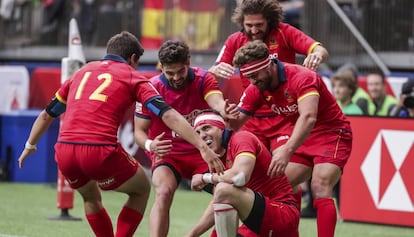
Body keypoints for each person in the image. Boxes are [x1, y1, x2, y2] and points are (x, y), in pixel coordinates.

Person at [17, 31, 224, 237]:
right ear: (133, 59)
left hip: (64, 152)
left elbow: (46, 114)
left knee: (90, 197)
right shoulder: (135, 77)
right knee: (142, 188)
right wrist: (203, 147)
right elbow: (168, 116)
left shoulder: (81, 72)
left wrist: (29, 146)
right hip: (100, 151)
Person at [230, 40, 352, 237]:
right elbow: (234, 124)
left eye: (254, 75)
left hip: (332, 133)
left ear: (268, 65)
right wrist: (224, 116)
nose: (252, 81)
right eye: (248, 77)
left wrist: (286, 150)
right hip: (303, 135)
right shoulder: (256, 87)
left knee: (319, 185)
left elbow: (309, 117)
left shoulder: (302, 77)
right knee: (277, 185)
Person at [134, 40, 238, 237]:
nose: (176, 77)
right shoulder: (151, 89)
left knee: (227, 193)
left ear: (188, 62)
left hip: (204, 153)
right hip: (169, 153)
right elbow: (139, 132)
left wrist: (225, 108)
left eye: (180, 71)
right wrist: (150, 144)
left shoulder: (203, 79)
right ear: (161, 67)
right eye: (169, 73)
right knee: (163, 193)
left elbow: (216, 100)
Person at [185, 111, 300, 237]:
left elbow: (240, 177)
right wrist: (191, 235)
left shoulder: (241, 138)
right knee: (222, 191)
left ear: (222, 127)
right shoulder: (217, 158)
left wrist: (204, 178)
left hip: (282, 216)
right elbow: (219, 199)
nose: (202, 135)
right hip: (257, 225)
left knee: (224, 188)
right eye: (197, 133)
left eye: (206, 128)